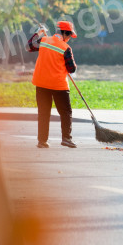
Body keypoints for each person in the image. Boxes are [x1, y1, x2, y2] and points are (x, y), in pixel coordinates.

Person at [27, 19, 78, 149]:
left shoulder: (44, 41)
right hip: (58, 85)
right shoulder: (66, 48)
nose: (69, 39)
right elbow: (72, 69)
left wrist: (38, 34)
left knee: (44, 113)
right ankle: (66, 138)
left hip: (41, 82)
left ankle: (42, 141)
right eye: (70, 36)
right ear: (65, 34)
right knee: (66, 112)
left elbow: (29, 47)